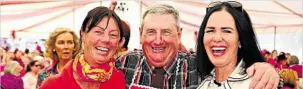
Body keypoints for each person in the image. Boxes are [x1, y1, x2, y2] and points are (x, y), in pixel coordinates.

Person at [116, 4, 279, 89]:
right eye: (151, 32)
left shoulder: (200, 66)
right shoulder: (124, 63)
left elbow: (233, 70)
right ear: (141, 33)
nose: (158, 41)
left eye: (166, 32)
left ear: (179, 35)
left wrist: (269, 71)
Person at [40, 6, 126, 89]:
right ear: (83, 35)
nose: (106, 39)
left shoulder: (119, 80)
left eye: (113, 35)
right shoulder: (52, 85)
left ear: (120, 42)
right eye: (98, 32)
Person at [195, 1, 272, 88]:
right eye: (210, 30)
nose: (217, 38)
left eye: (226, 31)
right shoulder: (203, 84)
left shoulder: (257, 84)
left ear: (240, 40)